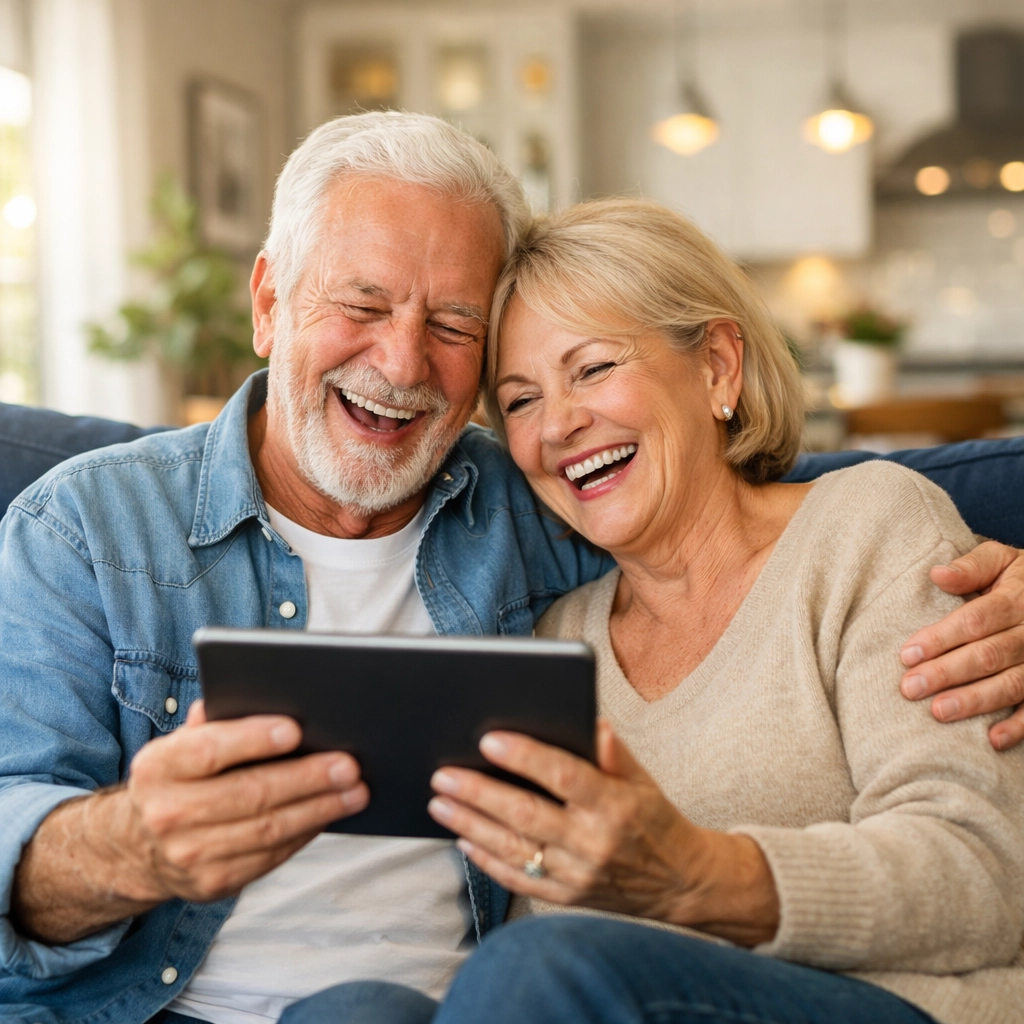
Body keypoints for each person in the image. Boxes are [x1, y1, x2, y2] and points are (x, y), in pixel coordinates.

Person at [0, 116, 1021, 1024]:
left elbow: (764, 497)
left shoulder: (549, 516)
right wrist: (130, 841)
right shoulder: (88, 526)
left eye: (453, 328)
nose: (402, 365)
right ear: (269, 303)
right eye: (524, 396)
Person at [294, 198, 1024, 1024]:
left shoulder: (867, 527)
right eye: (522, 401)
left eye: (595, 369)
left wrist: (694, 874)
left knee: (541, 967)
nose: (561, 425)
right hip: (601, 1001)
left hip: (894, 1004)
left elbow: (982, 874)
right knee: (350, 1013)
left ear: (716, 365)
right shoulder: (556, 641)